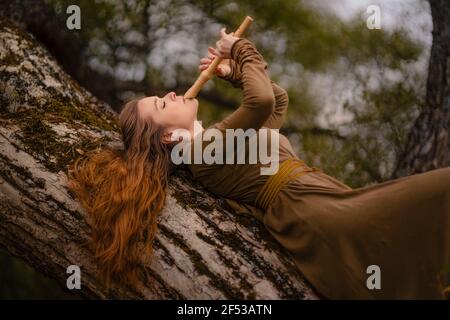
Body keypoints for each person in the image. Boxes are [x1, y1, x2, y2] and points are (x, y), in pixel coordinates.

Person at [68, 27, 450, 299]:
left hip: (328, 201)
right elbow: (261, 103)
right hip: (319, 213)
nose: (170, 93)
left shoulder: (217, 141)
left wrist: (233, 74)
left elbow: (276, 103)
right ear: (167, 138)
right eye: (162, 104)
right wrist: (241, 49)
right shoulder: (202, 153)